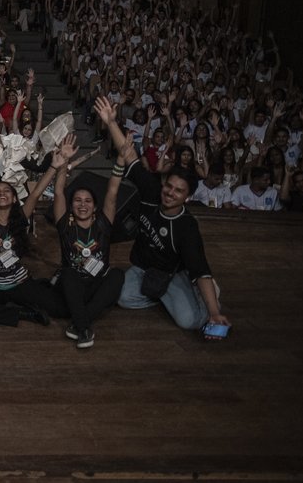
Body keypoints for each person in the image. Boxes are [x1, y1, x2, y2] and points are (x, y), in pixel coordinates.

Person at [95, 96, 230, 334]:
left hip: (172, 273)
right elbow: (128, 155)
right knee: (123, 299)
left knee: (190, 322)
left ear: (187, 197)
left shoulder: (187, 227)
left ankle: (198, 296)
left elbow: (201, 270)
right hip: (142, 268)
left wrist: (214, 313)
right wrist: (111, 122)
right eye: (169, 186)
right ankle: (160, 294)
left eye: (178, 191)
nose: (170, 193)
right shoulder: (152, 191)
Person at [0, 151, 67, 327]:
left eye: (6, 191)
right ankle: (22, 313)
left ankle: (36, 294)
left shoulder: (20, 217)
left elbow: (35, 195)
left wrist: (53, 167)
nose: (2, 193)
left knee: (61, 309)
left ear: (14, 199)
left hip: (18, 282)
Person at [51, 133, 125, 349]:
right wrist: (64, 162)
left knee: (118, 275)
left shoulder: (103, 223)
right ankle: (84, 328)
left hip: (96, 286)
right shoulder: (66, 224)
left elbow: (112, 191)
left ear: (95, 206)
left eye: (88, 201)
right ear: (72, 204)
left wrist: (120, 160)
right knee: (68, 273)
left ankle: (78, 322)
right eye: (77, 200)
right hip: (71, 286)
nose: (82, 205)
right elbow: (58, 192)